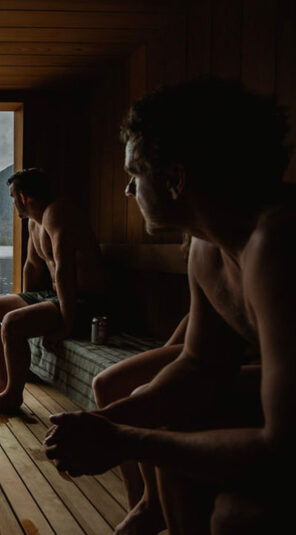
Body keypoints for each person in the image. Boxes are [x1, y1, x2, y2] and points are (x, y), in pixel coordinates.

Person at [44, 77, 292, 534]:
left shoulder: (276, 244)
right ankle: (151, 514)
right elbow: (200, 366)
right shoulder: (207, 249)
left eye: (134, 175)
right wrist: (98, 423)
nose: (127, 192)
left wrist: (121, 438)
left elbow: (283, 445)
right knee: (169, 421)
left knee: (238, 516)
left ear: (175, 178)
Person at [0, 168, 106, 413]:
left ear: (24, 197)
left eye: (13, 198)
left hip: (85, 301)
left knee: (13, 323)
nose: (13, 204)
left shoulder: (57, 212)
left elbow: (64, 268)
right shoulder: (34, 222)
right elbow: (32, 267)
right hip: (56, 296)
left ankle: (13, 395)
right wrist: (27, 305)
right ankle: (3, 385)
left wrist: (66, 325)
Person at [91, 314, 186, 534]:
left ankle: (152, 504)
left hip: (253, 353)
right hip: (212, 338)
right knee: (106, 384)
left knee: (147, 396)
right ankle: (137, 502)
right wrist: (101, 418)